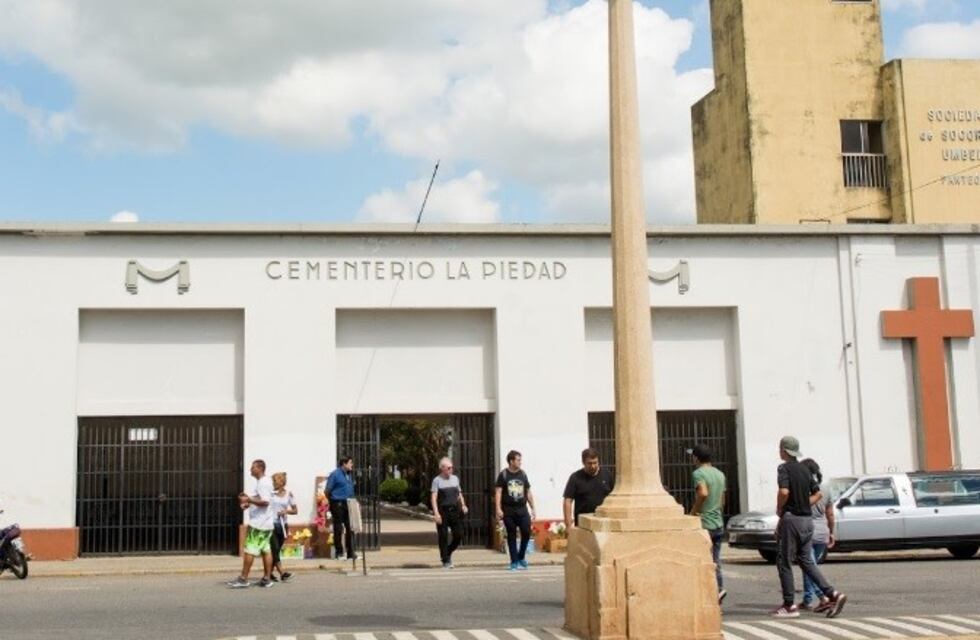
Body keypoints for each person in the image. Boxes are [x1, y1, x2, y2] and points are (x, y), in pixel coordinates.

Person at [771, 436, 847, 618]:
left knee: (784, 561)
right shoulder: (805, 470)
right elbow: (818, 494)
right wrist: (804, 503)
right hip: (807, 521)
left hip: (792, 520)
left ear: (783, 451)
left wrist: (781, 507)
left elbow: (784, 491)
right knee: (806, 561)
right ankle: (832, 594)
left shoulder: (784, 468)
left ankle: (789, 605)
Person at [227, 459, 276, 588]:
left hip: (259, 524)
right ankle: (266, 578)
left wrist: (248, 499)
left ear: (260, 468)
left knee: (249, 550)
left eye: (253, 467)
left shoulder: (263, 483)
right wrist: (249, 503)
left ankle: (243, 578)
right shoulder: (264, 483)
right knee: (266, 550)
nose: (250, 470)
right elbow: (261, 500)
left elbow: (265, 502)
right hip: (266, 522)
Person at [689, 444, 727, 604]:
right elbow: (722, 500)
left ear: (696, 458)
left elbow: (703, 492)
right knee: (715, 559)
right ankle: (718, 588)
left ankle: (706, 591)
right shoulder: (719, 474)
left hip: (705, 522)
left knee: (701, 560)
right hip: (718, 521)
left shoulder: (698, 473)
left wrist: (694, 511)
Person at [800, 458, 836, 611]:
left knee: (809, 567)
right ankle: (808, 599)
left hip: (807, 530)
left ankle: (822, 597)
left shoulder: (803, 489)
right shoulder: (826, 489)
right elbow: (831, 515)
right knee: (811, 567)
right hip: (822, 531)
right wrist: (831, 533)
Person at [495, 450, 536, 571]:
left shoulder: (523, 474)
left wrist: (533, 507)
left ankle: (521, 556)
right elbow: (498, 492)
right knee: (511, 535)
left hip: (522, 509)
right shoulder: (503, 475)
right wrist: (498, 508)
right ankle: (514, 561)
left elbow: (528, 492)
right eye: (518, 460)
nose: (520, 462)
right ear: (511, 461)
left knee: (526, 532)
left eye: (520, 460)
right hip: (508, 509)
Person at [431, 457, 469, 569]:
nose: (451, 469)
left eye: (451, 467)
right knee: (443, 536)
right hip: (443, 511)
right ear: (442, 469)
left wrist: (463, 505)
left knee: (459, 534)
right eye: (448, 468)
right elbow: (433, 498)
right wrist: (436, 513)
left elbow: (459, 494)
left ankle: (447, 552)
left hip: (455, 511)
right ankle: (446, 560)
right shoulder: (436, 480)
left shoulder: (455, 479)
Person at [562, 447, 613, 529]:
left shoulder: (607, 475)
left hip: (604, 522)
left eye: (595, 463)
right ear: (583, 462)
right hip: (583, 525)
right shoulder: (575, 477)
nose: (593, 466)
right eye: (589, 463)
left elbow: (613, 496)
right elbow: (568, 500)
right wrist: (568, 525)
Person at [326, 456, 357, 561]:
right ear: (344, 463)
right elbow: (327, 490)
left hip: (349, 503)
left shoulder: (349, 475)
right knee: (338, 528)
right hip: (337, 502)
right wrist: (332, 501)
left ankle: (350, 552)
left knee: (350, 527)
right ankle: (339, 552)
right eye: (350, 463)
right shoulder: (335, 474)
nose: (352, 465)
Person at [269, 471, 298, 582]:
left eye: (275, 481)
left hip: (282, 525)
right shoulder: (270, 494)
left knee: (276, 550)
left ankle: (268, 573)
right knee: (275, 548)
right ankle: (282, 573)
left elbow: (295, 510)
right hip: (271, 525)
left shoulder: (289, 494)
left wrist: (286, 511)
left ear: (281, 482)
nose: (273, 483)